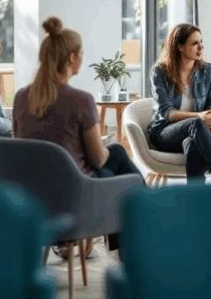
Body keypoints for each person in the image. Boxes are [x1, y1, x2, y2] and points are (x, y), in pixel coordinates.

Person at [13, 16, 142, 254]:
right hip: (75, 197)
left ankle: (74, 243)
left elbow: (19, 146)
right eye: (81, 53)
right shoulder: (81, 100)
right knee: (118, 158)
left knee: (115, 154)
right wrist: (101, 148)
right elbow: (98, 161)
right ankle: (132, 247)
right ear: (72, 57)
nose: (82, 57)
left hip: (31, 196)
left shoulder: (21, 97)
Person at [148, 23, 211, 184]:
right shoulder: (159, 72)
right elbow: (168, 113)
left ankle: (195, 195)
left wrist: (210, 116)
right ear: (179, 46)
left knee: (192, 144)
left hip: (196, 133)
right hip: (164, 133)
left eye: (201, 42)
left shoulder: (208, 71)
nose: (201, 47)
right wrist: (200, 116)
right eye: (194, 43)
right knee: (196, 122)